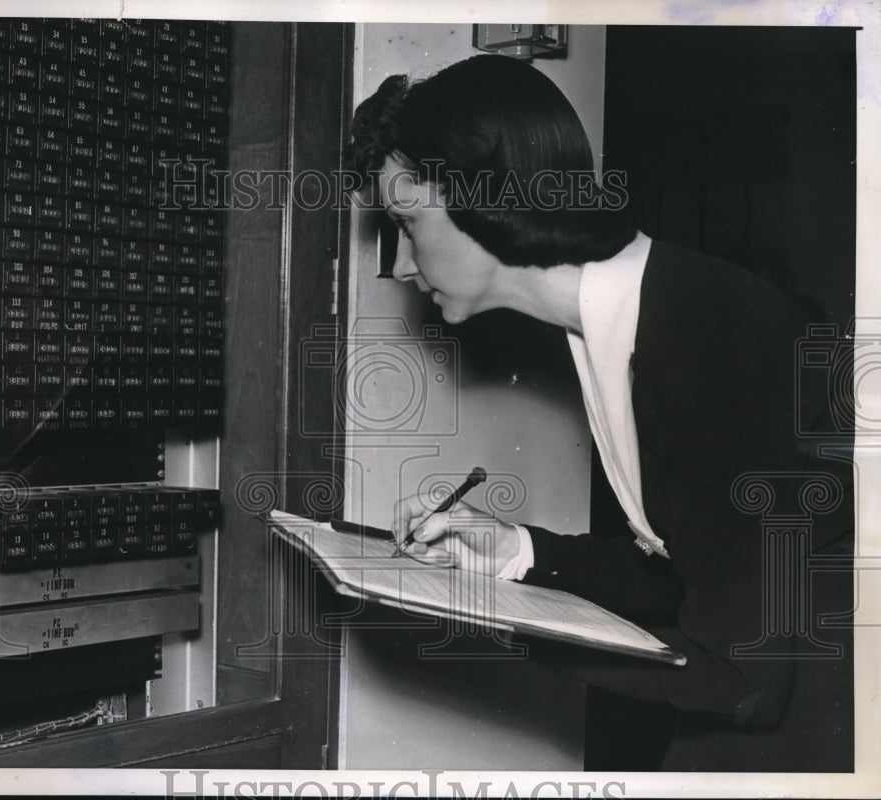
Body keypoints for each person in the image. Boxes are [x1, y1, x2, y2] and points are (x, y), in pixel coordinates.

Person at [347, 54, 853, 772]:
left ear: (488, 197)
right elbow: (701, 561)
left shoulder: (709, 336)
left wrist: (487, 618)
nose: (398, 264)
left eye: (406, 221)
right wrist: (519, 555)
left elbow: (743, 678)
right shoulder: (622, 320)